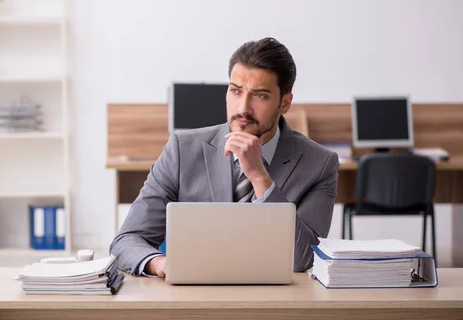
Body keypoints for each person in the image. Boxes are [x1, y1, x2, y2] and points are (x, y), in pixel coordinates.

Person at [109, 37, 339, 277]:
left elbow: (305, 258)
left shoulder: (320, 164)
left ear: (284, 103)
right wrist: (160, 264)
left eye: (260, 95)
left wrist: (260, 177)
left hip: (275, 304)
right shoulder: (181, 150)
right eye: (236, 91)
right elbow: (127, 240)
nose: (243, 108)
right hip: (194, 300)